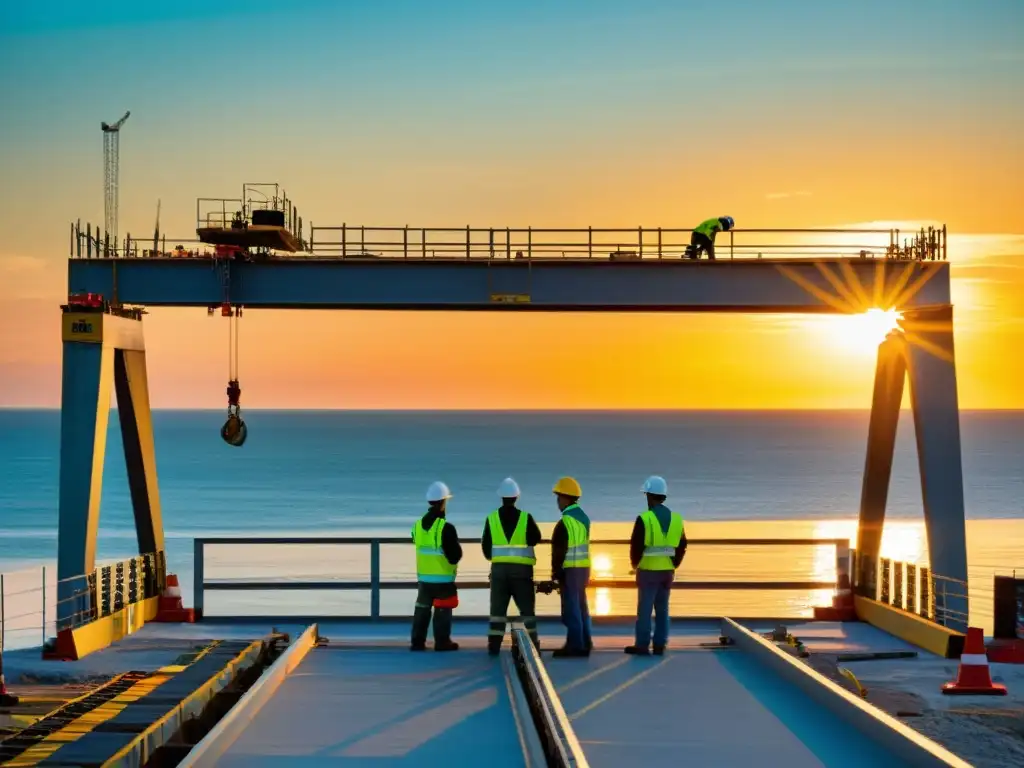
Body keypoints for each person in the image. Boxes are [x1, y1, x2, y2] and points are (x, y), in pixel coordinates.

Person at [624, 475, 687, 656]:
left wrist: (635, 564)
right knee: (662, 609)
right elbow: (682, 545)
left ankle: (642, 645)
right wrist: (674, 563)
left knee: (644, 610)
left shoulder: (645, 519)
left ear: (650, 496)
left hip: (648, 571)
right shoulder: (676, 519)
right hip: (667, 571)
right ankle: (660, 645)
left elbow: (636, 545)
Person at [482, 477, 543, 654]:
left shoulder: (491, 518)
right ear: (517, 497)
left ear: (501, 497)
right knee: (527, 612)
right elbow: (535, 538)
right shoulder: (525, 518)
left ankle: (494, 646)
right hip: (522, 572)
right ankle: (533, 646)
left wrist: (497, 559)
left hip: (499, 572)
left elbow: (486, 547)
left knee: (497, 612)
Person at [410, 480, 463, 651]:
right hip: (443, 579)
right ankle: (442, 642)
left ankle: (417, 642)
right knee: (442, 610)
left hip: (424, 578)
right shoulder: (445, 528)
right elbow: (454, 556)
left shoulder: (417, 526)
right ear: (443, 502)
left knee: (422, 610)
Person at [550, 476, 592, 657]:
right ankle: (585, 641)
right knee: (581, 606)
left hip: (570, 569)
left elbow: (559, 552)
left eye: (559, 498)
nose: (557, 502)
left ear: (566, 498)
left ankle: (575, 645)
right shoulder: (584, 518)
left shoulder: (565, 522)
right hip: (584, 568)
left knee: (571, 607)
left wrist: (556, 573)